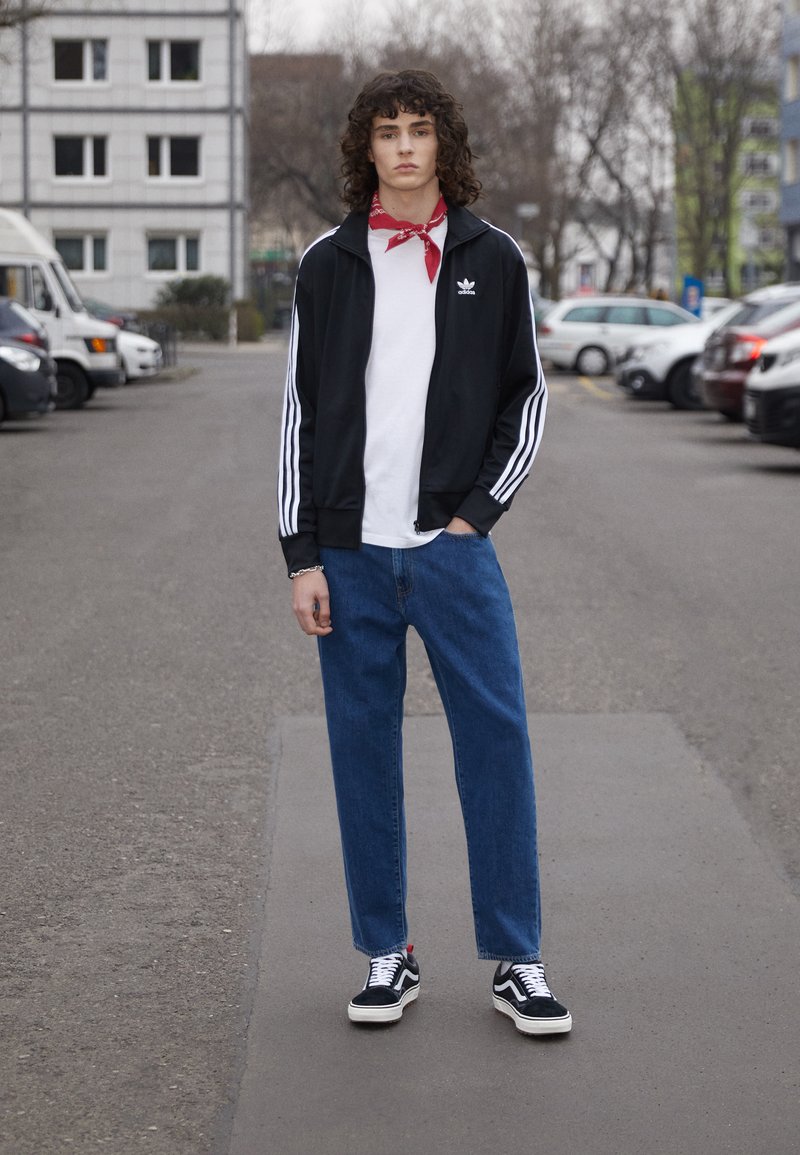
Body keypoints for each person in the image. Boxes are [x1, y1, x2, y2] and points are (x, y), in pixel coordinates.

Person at [277, 69, 571, 1036]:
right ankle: (386, 953)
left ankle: (517, 957)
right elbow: (300, 416)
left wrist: (477, 515)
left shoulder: (497, 257)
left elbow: (524, 398)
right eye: (388, 132)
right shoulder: (326, 262)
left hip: (451, 549)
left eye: (420, 131)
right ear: (367, 147)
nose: (404, 146)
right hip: (350, 553)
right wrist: (302, 554)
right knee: (362, 753)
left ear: (444, 144)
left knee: (498, 743)